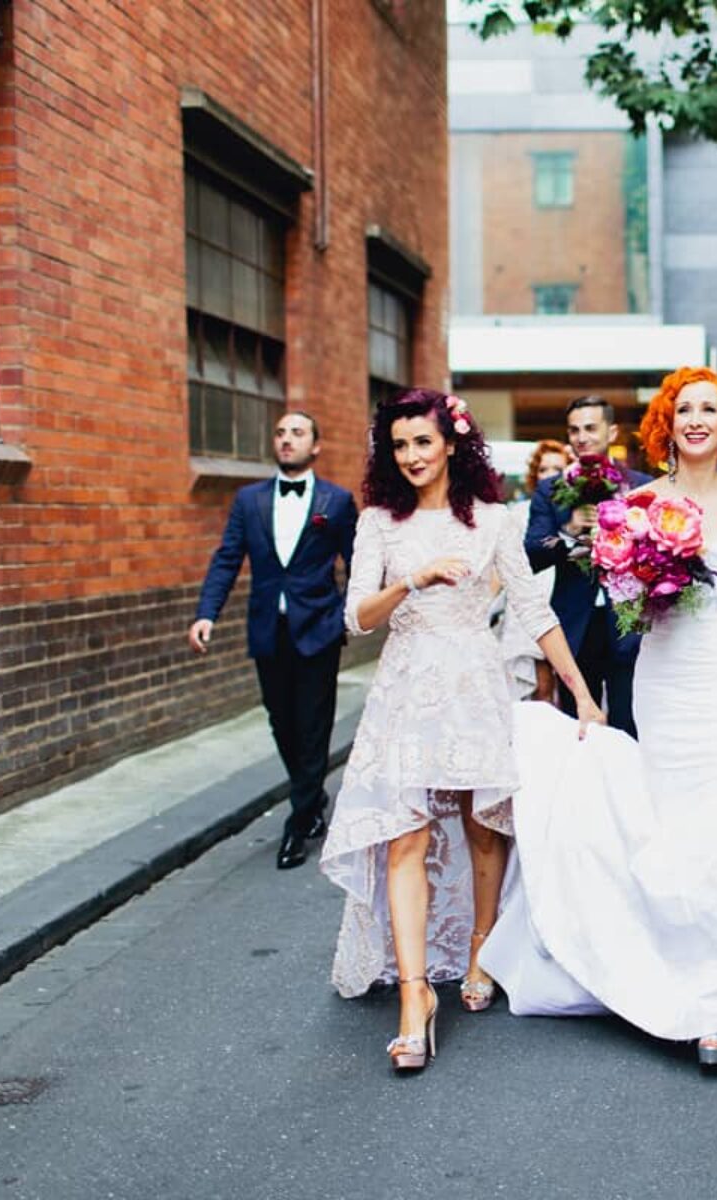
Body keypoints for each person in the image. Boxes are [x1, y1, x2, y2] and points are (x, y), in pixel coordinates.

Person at [481, 366, 717, 1076]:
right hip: (668, 681)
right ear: (666, 426)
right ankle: (693, 985)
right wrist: (644, 576)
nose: (697, 419)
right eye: (684, 409)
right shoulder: (638, 501)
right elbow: (624, 605)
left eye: (711, 408)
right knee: (677, 825)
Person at [319, 390, 604, 1074]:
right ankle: (416, 998)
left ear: (451, 443)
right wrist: (410, 581)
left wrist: (582, 694)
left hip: (476, 683)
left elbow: (536, 613)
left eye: (423, 441)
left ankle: (480, 949)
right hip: (407, 688)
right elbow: (357, 617)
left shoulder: (495, 521)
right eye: (400, 445)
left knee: (483, 824)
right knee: (405, 833)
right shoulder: (378, 523)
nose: (412, 456)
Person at [189, 411, 358, 871]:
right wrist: (207, 613)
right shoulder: (249, 501)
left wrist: (347, 613)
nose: (287, 440)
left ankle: (299, 821)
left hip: (318, 629)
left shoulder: (337, 501)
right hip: (268, 629)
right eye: (281, 433)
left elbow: (357, 562)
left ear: (315, 446)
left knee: (313, 724)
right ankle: (312, 795)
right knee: (281, 721)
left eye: (297, 433)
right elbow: (227, 558)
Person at [524, 397, 650, 735]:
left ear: (611, 432)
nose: (582, 437)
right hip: (574, 627)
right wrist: (568, 532)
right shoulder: (551, 490)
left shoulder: (640, 486)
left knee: (631, 723)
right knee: (579, 729)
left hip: (626, 624)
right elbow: (532, 553)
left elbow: (655, 554)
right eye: (574, 430)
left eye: (590, 428)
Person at [501, 439, 571, 703]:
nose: (551, 476)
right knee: (541, 689)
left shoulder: (577, 514)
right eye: (544, 469)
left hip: (565, 601)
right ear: (535, 474)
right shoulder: (519, 514)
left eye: (558, 469)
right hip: (532, 603)